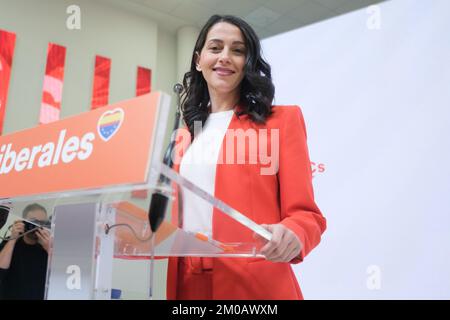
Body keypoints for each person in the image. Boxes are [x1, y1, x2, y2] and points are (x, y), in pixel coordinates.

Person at [166, 14, 327, 300]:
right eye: (215, 48)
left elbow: (307, 216)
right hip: (187, 283)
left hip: (253, 286)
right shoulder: (185, 135)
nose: (225, 57)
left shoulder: (281, 121)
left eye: (237, 50)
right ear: (198, 59)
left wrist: (293, 232)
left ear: (247, 63)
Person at [0, 203, 51, 300]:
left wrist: (50, 249)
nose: (36, 226)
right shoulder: (10, 242)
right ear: (23, 222)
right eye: (33, 222)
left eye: (41, 223)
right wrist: (13, 238)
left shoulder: (47, 246)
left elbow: (62, 275)